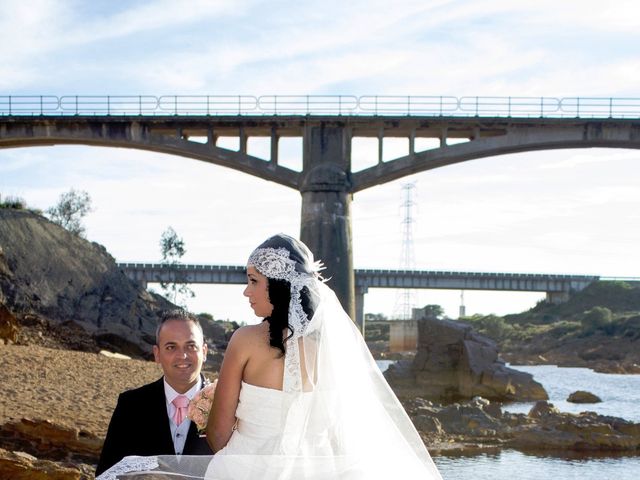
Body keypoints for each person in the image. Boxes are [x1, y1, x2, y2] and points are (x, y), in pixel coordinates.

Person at [97, 234, 442, 480]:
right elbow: (340, 430)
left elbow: (217, 438)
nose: (246, 291)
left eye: (253, 281)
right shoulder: (329, 350)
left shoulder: (245, 341)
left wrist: (213, 409)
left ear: (277, 283)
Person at [95, 309, 213, 476]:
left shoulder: (226, 405)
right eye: (171, 347)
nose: (182, 355)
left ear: (204, 351)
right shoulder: (130, 405)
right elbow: (107, 472)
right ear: (157, 354)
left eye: (191, 346)